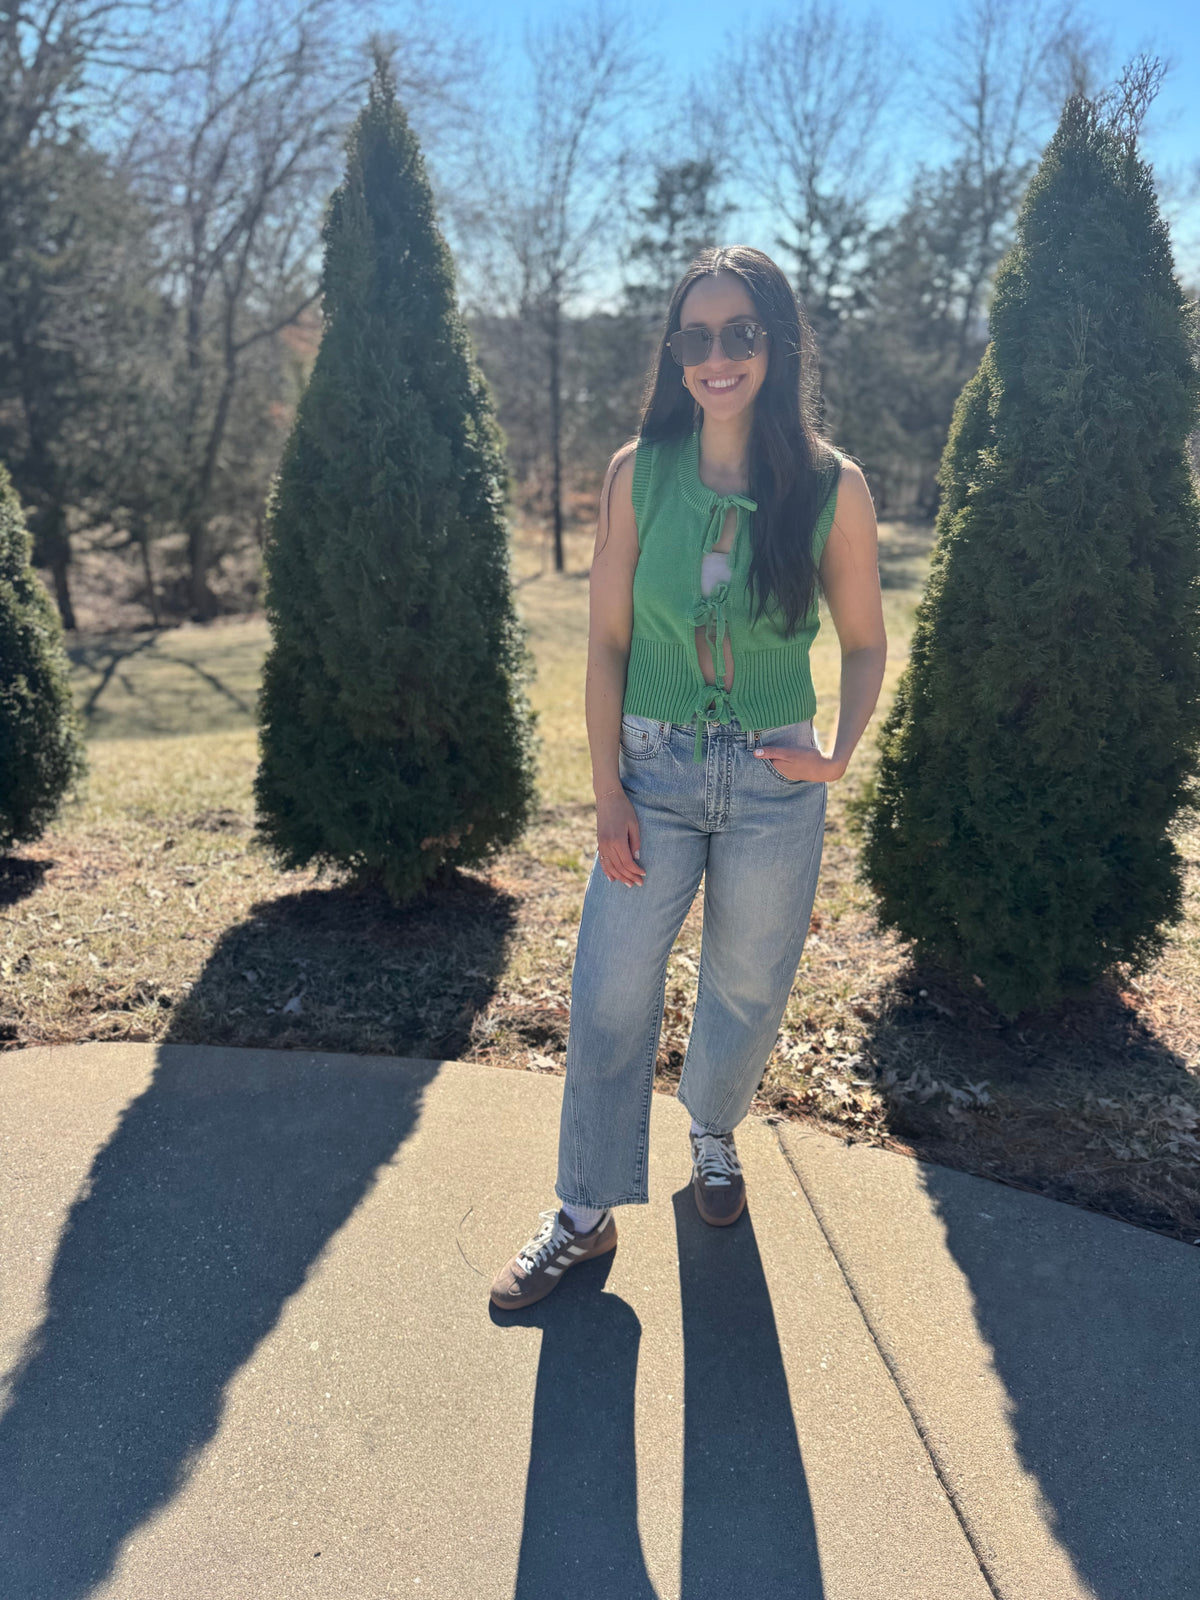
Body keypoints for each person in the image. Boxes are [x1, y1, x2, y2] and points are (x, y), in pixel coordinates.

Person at [490, 245, 885, 1311]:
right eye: (697, 336)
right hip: (655, 769)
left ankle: (711, 1130)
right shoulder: (637, 472)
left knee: (749, 988)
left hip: (774, 778)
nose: (718, 356)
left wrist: (838, 751)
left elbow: (863, 641)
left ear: (776, 345)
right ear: (675, 352)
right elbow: (609, 645)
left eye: (740, 334)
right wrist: (610, 792)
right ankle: (582, 1212)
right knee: (610, 989)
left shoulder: (831, 487)